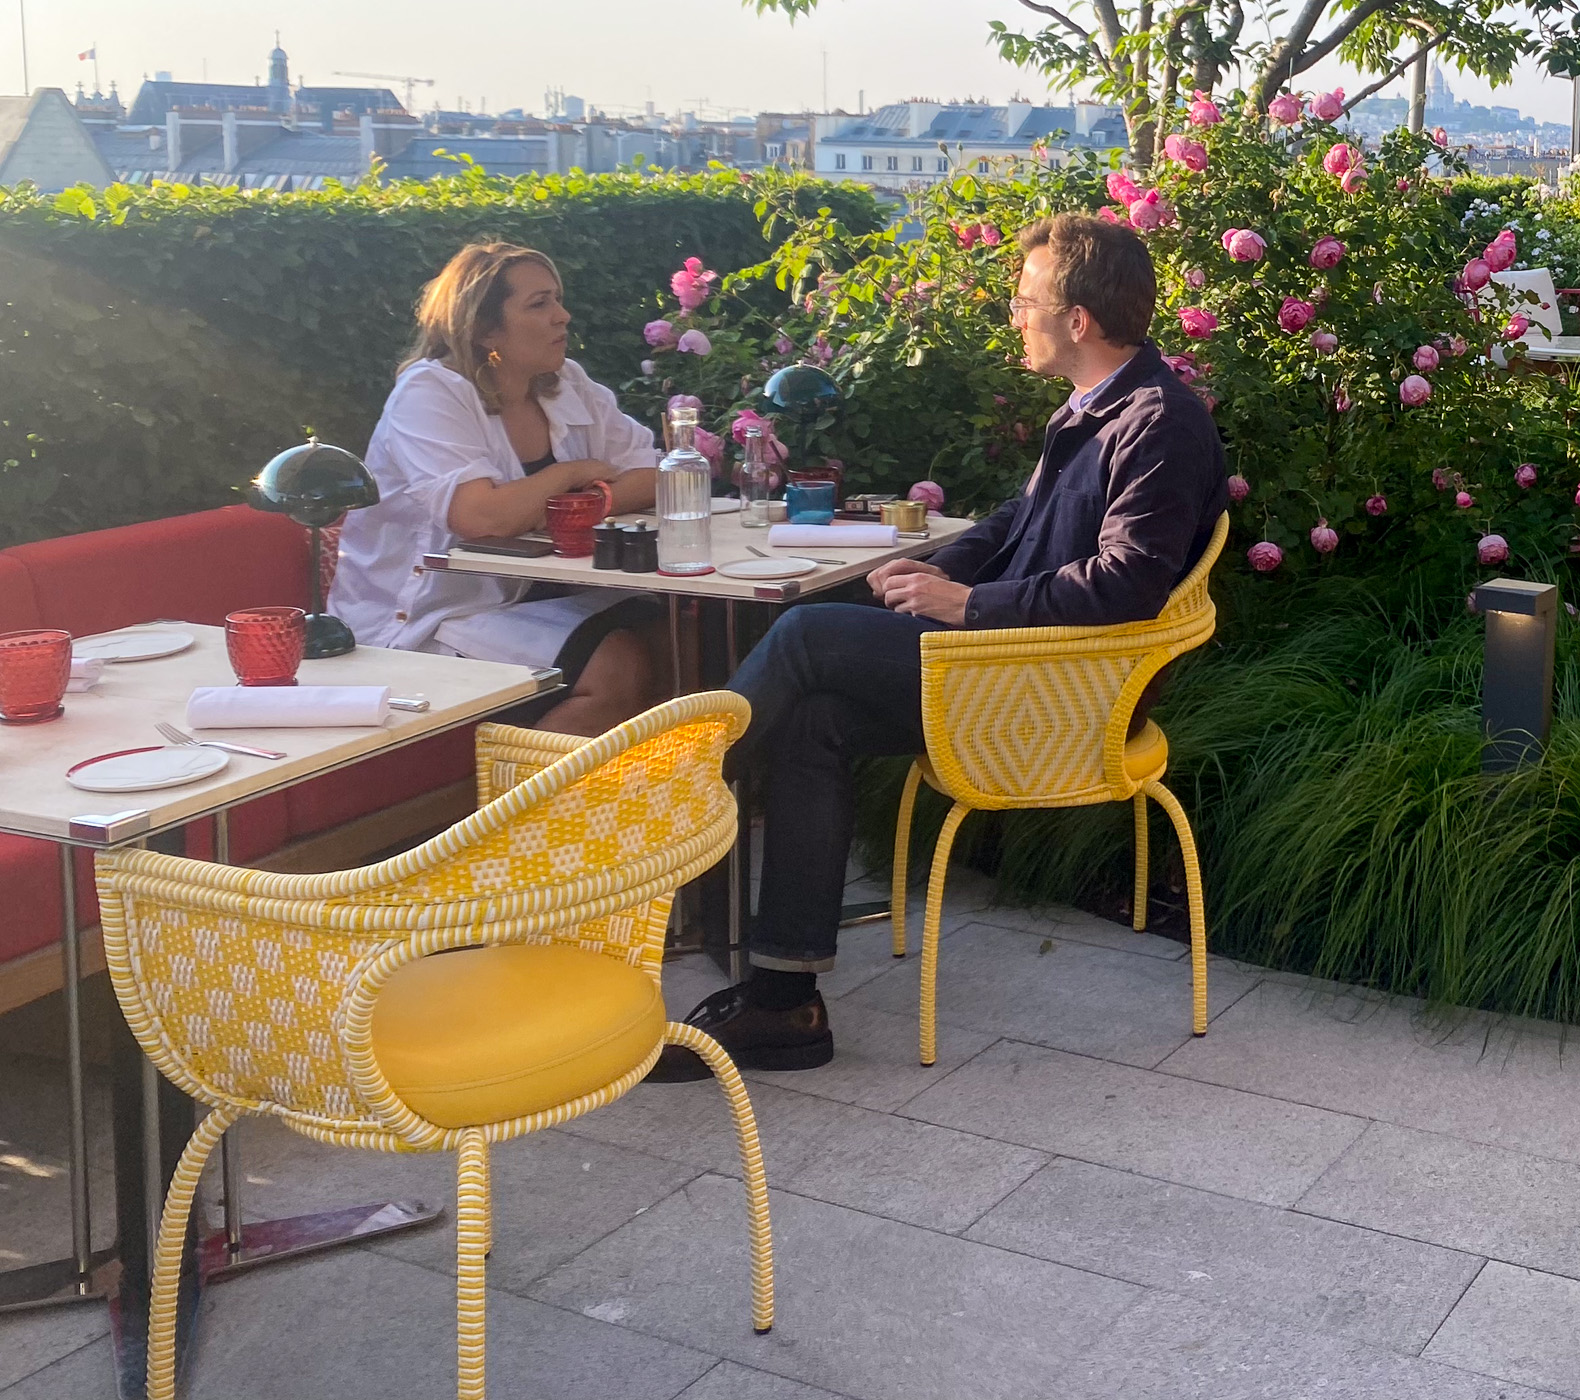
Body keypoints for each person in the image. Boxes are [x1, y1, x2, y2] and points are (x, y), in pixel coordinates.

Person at [654, 212, 1229, 1078]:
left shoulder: (1159, 423)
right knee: (813, 717)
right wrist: (936, 568)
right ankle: (784, 1004)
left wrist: (965, 604)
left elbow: (1127, 585)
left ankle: (661, 808)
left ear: (1077, 320)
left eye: (1025, 301)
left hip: (1059, 695)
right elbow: (1017, 521)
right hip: (1011, 667)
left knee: (805, 632)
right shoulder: (1093, 409)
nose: (1014, 315)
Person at [331, 242, 670, 734]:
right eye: (539, 304)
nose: (562, 316)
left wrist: (590, 502)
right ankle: (526, 789)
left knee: (677, 638)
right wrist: (568, 475)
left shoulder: (566, 382)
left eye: (557, 299)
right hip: (432, 613)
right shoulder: (430, 392)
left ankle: (659, 785)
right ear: (484, 329)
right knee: (615, 664)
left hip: (533, 595)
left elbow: (654, 474)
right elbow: (481, 516)